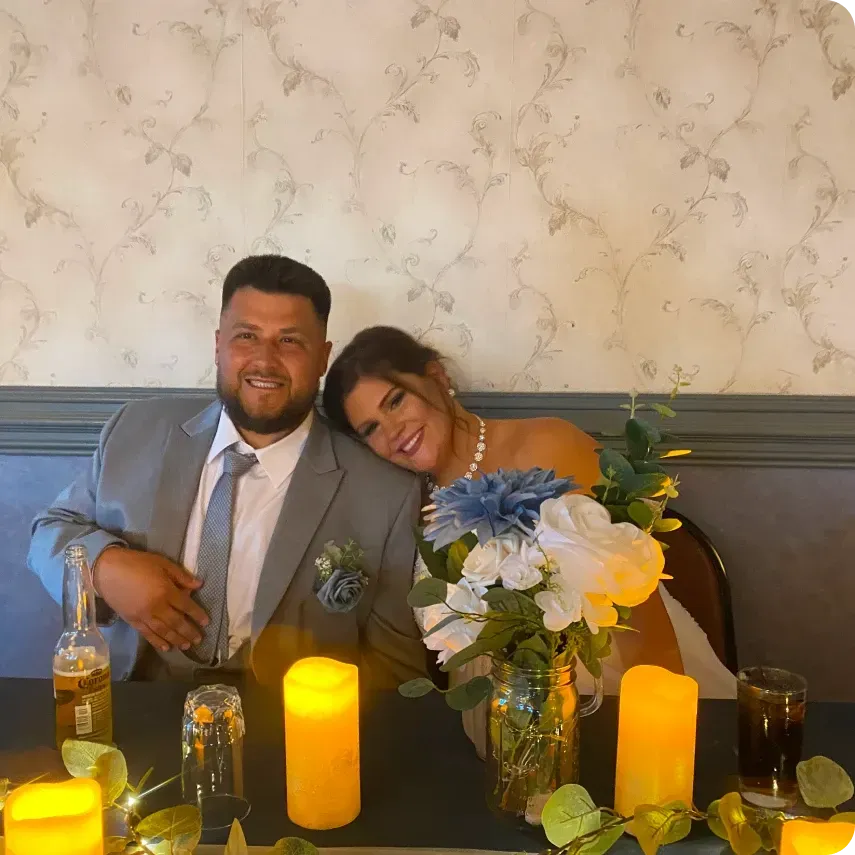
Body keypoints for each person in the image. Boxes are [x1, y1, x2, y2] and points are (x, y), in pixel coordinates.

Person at [322, 326, 736, 749]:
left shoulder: (549, 444)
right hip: (494, 724)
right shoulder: (404, 503)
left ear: (437, 378)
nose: (392, 430)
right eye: (371, 428)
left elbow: (640, 609)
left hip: (610, 694)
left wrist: (651, 734)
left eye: (396, 401)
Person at [28, 258, 427, 689]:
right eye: (246, 336)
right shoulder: (135, 431)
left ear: (323, 358)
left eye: (289, 341)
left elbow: (395, 674)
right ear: (218, 345)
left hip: (288, 730)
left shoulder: (385, 493)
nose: (265, 361)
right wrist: (105, 567)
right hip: (135, 706)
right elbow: (49, 532)